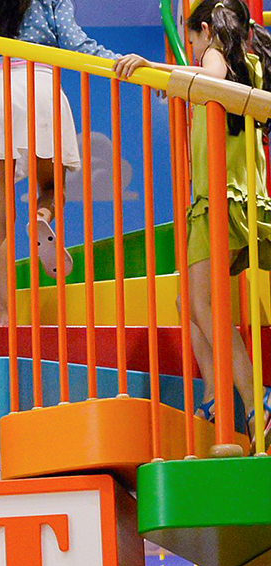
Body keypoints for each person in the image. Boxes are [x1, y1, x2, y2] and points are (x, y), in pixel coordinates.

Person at [118, 0, 271, 437]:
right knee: (188, 302)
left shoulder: (216, 58)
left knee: (201, 302)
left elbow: (213, 75)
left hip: (219, 199)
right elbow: (211, 80)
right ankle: (215, 393)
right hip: (242, 197)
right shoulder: (251, 63)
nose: (194, 51)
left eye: (192, 42)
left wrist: (162, 70)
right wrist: (176, 79)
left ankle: (255, 398)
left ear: (205, 30)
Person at [0, 0, 143, 318]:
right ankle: (41, 215)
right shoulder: (50, 1)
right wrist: (120, 62)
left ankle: (4, 315)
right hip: (39, 87)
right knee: (52, 187)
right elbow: (77, 44)